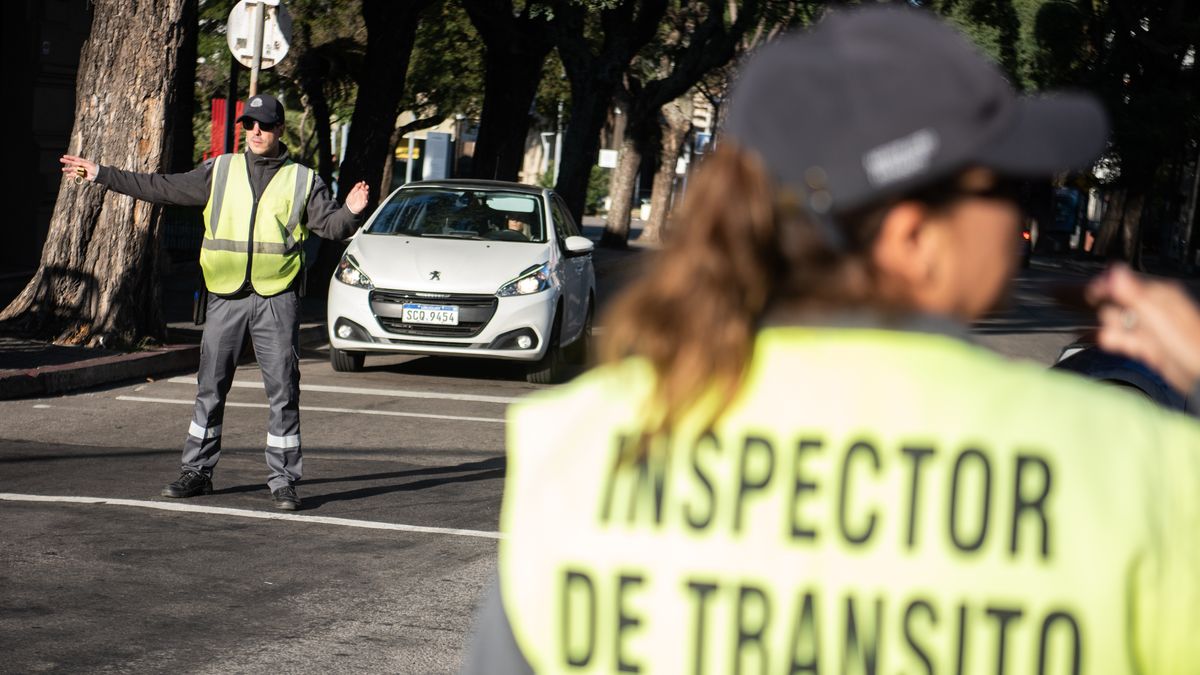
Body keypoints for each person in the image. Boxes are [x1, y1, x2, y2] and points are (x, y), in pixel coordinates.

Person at [463, 6, 1200, 673]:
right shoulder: (1139, 472)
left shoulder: (585, 448)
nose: (1023, 217)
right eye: (1006, 187)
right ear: (913, 238)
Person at [60, 93, 369, 511]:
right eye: (249, 124)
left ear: (280, 129)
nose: (256, 131)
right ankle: (197, 472)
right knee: (211, 387)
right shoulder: (220, 170)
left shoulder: (302, 179)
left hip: (277, 298)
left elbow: (331, 226)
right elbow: (161, 187)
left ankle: (283, 481)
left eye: (265, 125)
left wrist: (350, 212)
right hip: (226, 296)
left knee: (283, 391)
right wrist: (101, 174)